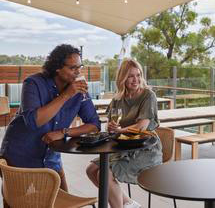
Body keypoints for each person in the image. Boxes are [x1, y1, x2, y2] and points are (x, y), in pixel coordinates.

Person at [0, 44, 100, 191]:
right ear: (57, 68)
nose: (78, 72)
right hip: (21, 156)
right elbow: (34, 122)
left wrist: (64, 132)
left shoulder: (79, 90)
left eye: (80, 67)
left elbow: (94, 124)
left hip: (50, 159)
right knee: (18, 202)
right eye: (73, 68)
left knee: (63, 201)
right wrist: (66, 95)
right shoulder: (33, 83)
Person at [86, 59, 162, 208]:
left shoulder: (148, 95)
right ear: (122, 78)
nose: (136, 80)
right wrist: (112, 126)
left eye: (138, 75)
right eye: (130, 76)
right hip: (123, 147)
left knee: (104, 174)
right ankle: (128, 203)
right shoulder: (118, 98)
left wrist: (119, 130)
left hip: (145, 148)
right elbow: (111, 124)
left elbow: (142, 126)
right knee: (91, 170)